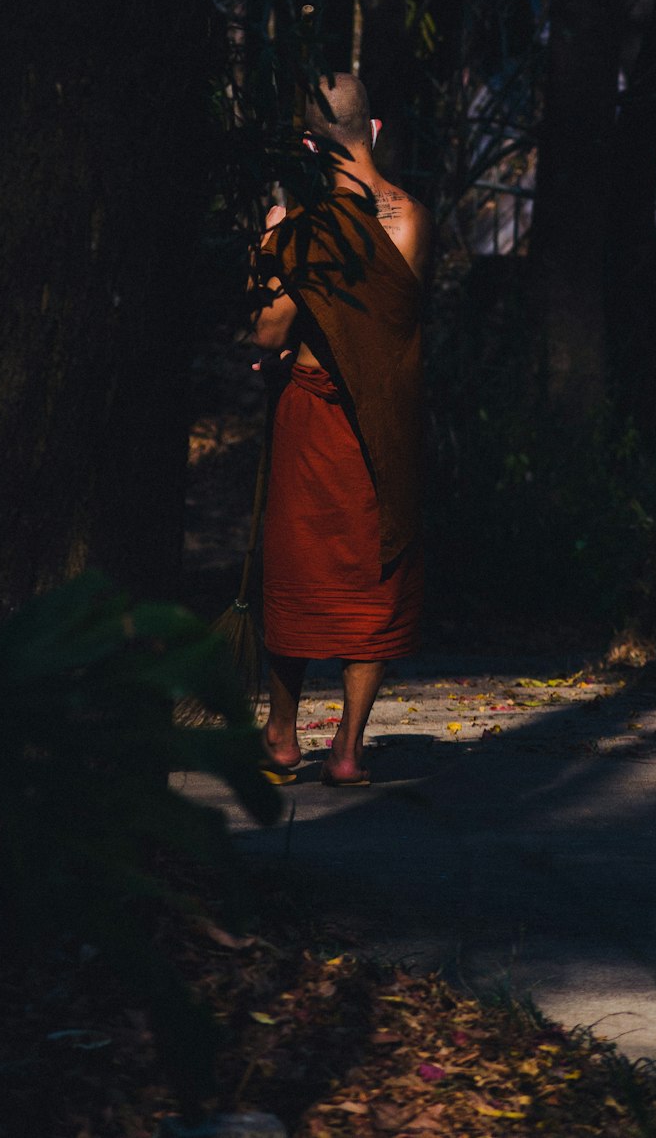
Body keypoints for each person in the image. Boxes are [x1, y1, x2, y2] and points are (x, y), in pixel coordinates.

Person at [251, 74, 432, 786]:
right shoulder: (412, 217)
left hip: (316, 415)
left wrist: (274, 247)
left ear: (307, 145)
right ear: (376, 130)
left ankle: (283, 734)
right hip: (386, 425)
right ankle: (351, 748)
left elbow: (268, 333)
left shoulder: (305, 231)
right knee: (374, 572)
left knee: (296, 570)